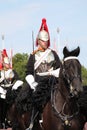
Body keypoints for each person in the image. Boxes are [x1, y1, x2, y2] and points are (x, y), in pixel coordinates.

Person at [25, 18, 61, 91]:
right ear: (38, 41)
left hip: (53, 81)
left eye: (47, 41)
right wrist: (32, 83)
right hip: (39, 82)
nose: (45, 42)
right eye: (43, 41)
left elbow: (59, 67)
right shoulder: (33, 55)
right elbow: (29, 72)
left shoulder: (53, 53)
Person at [0, 49, 23, 128]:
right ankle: (2, 120)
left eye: (8, 63)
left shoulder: (12, 71)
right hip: (2, 91)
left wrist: (15, 85)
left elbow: (18, 79)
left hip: (11, 90)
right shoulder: (1, 72)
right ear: (3, 63)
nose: (8, 65)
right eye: (6, 63)